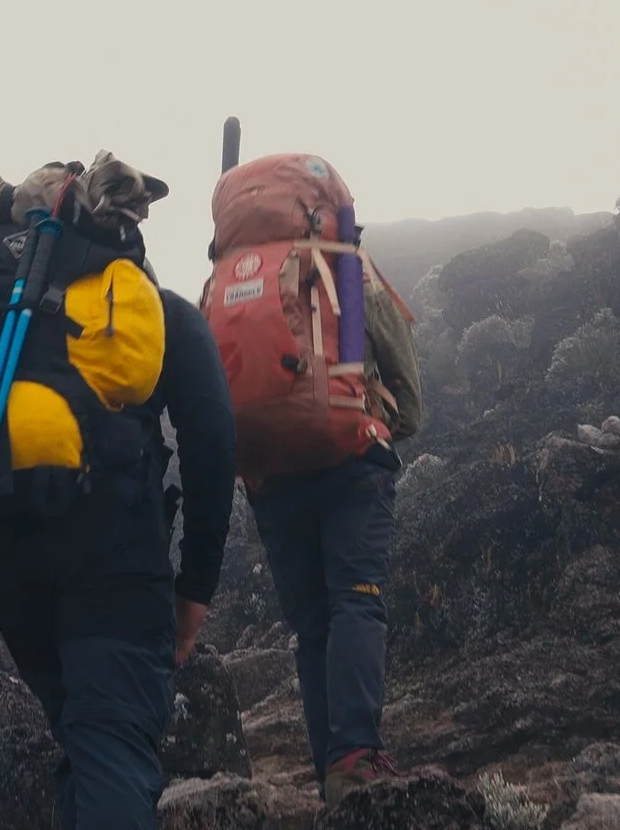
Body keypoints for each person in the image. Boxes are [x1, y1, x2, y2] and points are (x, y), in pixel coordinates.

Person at [0, 156, 236, 830]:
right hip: (109, 543)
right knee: (111, 738)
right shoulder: (153, 310)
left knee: (84, 737)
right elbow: (211, 440)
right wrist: (196, 585)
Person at [203, 152, 426, 804]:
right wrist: (393, 427)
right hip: (350, 458)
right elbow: (401, 381)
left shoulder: (220, 281)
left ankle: (332, 756)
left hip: (269, 472)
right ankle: (354, 757)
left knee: (311, 623)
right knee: (356, 598)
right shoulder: (341, 265)